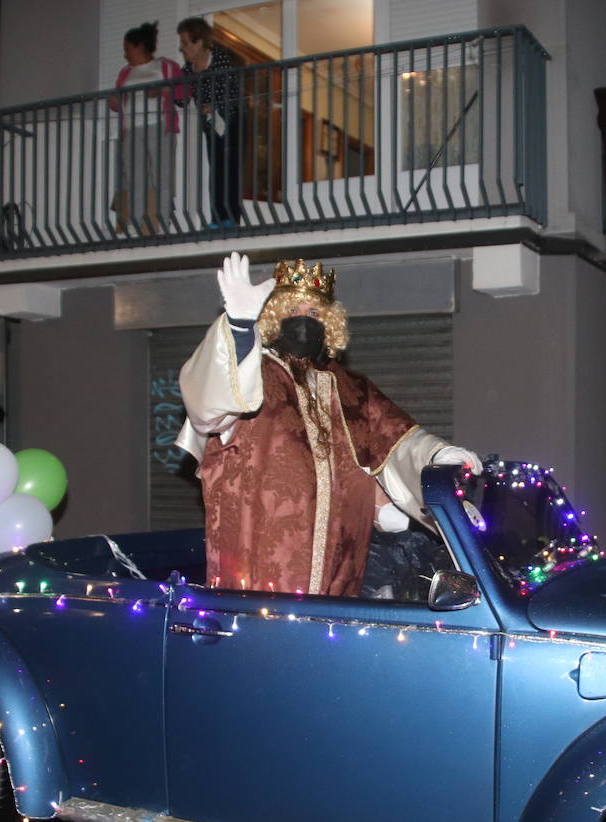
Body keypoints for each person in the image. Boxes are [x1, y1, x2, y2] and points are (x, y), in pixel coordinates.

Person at [176, 252, 479, 597]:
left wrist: (438, 456)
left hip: (341, 574)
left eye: (314, 313)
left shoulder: (351, 390)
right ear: (273, 318)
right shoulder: (253, 376)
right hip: (260, 573)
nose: (303, 322)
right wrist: (239, 327)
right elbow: (208, 405)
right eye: (292, 311)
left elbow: (399, 440)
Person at [112, 22, 184, 235]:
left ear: (140, 46)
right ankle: (134, 223)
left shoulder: (165, 66)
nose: (125, 54)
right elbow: (118, 101)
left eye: (127, 49)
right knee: (134, 176)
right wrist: (113, 102)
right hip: (131, 129)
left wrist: (162, 91)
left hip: (158, 125)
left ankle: (161, 223)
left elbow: (182, 93)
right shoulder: (125, 72)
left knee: (161, 175)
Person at [177, 16, 243, 227]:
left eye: (186, 43)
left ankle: (230, 219)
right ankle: (217, 219)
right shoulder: (187, 70)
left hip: (232, 121)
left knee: (230, 170)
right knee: (216, 171)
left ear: (199, 42)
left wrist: (216, 106)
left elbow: (230, 92)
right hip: (211, 125)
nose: (182, 48)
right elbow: (181, 100)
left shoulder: (220, 59)